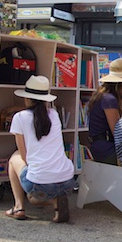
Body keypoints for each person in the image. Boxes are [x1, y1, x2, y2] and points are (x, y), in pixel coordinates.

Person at [6, 75, 76, 222]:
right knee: (34, 197)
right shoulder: (54, 115)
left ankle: (18, 207)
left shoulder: (19, 117)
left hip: (40, 184)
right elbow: (38, 114)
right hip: (68, 180)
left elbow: (24, 156)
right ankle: (57, 203)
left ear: (27, 98)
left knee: (14, 158)